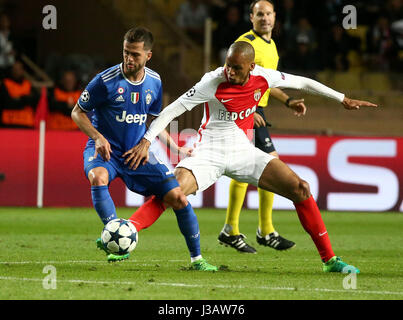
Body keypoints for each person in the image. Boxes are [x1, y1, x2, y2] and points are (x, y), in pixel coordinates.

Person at [128, 41, 378, 273]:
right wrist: (147, 140)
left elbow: (303, 82)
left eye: (237, 68)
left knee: (301, 188)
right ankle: (126, 232)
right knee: (173, 192)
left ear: (251, 66)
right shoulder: (212, 81)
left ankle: (330, 260)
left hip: (243, 152)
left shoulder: (264, 76)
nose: (230, 72)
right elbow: (173, 109)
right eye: (228, 65)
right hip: (208, 152)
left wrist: (342, 99)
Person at [71, 27, 217, 271]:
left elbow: (154, 121)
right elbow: (77, 112)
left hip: (138, 153)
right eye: (126, 52)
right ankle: (115, 238)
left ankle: (197, 260)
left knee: (178, 197)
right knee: (98, 177)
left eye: (135, 55)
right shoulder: (104, 81)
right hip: (106, 152)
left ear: (148, 56)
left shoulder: (155, 81)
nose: (129, 59)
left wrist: (175, 147)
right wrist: (97, 137)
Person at [218, 0, 307, 254]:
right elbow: (231, 79)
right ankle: (252, 230)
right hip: (246, 111)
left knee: (259, 167)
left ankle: (246, 230)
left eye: (268, 13)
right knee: (266, 166)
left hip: (257, 110)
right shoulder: (246, 44)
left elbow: (266, 82)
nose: (265, 18)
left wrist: (288, 101)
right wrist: (249, 109)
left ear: (275, 16)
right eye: (259, 14)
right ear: (251, 17)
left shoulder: (271, 45)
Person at [0, 60, 37, 128]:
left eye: (19, 69)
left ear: (23, 71)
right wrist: (25, 99)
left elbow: (34, 101)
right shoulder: (5, 84)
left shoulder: (28, 84)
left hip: (27, 123)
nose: (17, 71)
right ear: (11, 70)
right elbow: (8, 103)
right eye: (15, 69)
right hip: (9, 124)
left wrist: (19, 99)